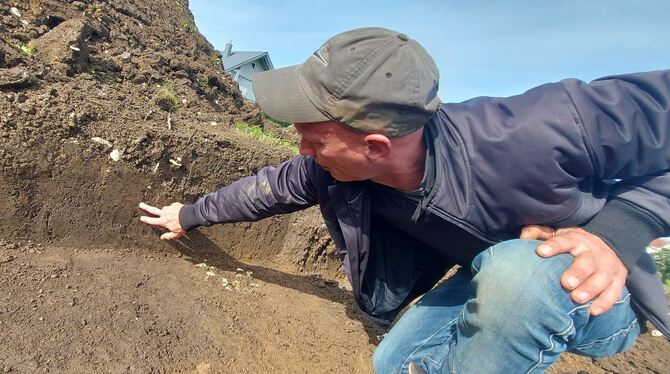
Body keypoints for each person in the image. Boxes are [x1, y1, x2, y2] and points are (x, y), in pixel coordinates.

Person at [139, 27, 670, 373]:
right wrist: (186, 215)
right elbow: (271, 188)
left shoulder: (540, 128)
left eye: (312, 136)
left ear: (375, 146)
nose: (300, 149)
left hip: (599, 300)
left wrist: (619, 230)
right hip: (482, 273)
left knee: (521, 270)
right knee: (394, 363)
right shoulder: (339, 171)